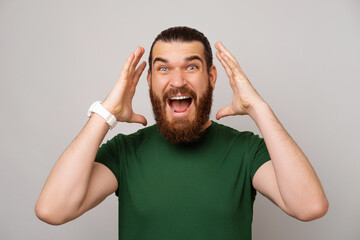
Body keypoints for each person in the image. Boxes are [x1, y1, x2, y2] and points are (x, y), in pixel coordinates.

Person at [35, 26, 328, 239]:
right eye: (163, 69)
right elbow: (52, 210)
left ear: (211, 77)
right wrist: (105, 113)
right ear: (149, 81)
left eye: (191, 66)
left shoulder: (245, 151)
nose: (177, 81)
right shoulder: (124, 153)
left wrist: (258, 108)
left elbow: (309, 207)